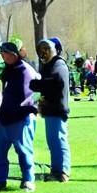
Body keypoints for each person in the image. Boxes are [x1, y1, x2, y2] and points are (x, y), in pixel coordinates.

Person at [0, 41, 38, 193]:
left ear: (13, 54)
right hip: (4, 117)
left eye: (5, 53)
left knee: (23, 151)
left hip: (20, 118)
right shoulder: (8, 70)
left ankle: (28, 180)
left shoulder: (25, 70)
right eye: (2, 53)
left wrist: (22, 114)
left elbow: (28, 97)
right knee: (0, 152)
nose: (3, 56)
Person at [30, 37, 71, 182]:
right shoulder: (49, 65)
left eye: (46, 50)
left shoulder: (58, 64)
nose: (43, 53)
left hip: (57, 110)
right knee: (53, 142)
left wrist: (37, 84)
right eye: (41, 51)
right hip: (50, 110)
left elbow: (56, 82)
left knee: (59, 140)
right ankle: (56, 171)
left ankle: (63, 171)